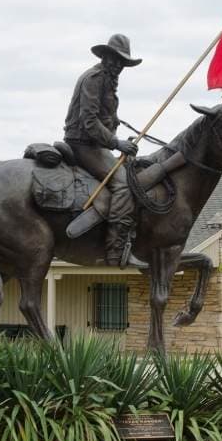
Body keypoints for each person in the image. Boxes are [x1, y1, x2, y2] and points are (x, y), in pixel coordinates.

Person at [64, 34, 142, 267]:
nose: (118, 66)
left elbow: (103, 116)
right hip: (82, 144)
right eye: (115, 60)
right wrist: (117, 143)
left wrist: (118, 131)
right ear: (105, 57)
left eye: (122, 63)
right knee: (124, 185)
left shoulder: (107, 81)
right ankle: (115, 250)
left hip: (97, 144)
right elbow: (89, 122)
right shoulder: (94, 79)